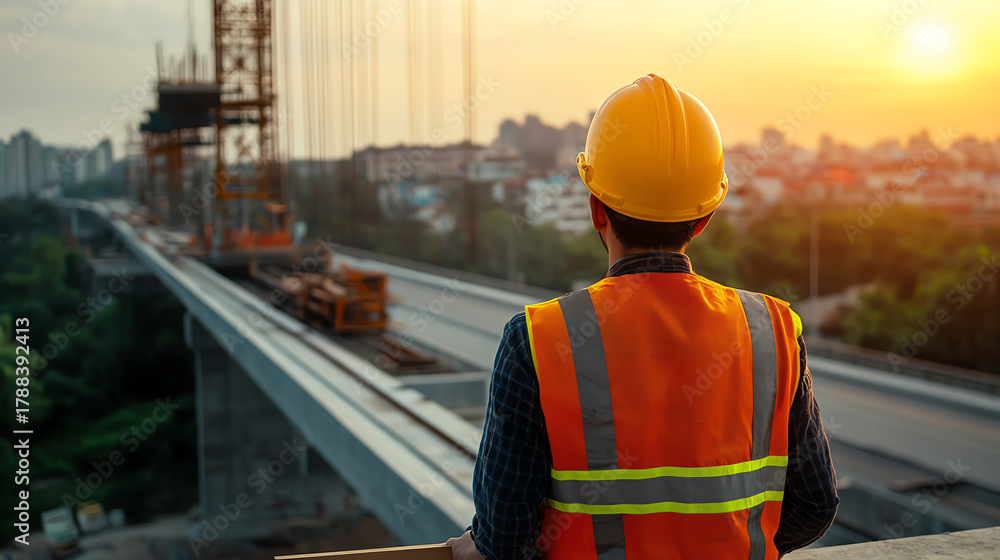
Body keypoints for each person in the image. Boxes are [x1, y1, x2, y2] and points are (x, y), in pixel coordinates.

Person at [448, 74, 838, 559]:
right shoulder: (771, 329)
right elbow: (814, 506)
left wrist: (476, 550)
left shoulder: (538, 338)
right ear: (704, 219)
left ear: (595, 209)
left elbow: (506, 537)